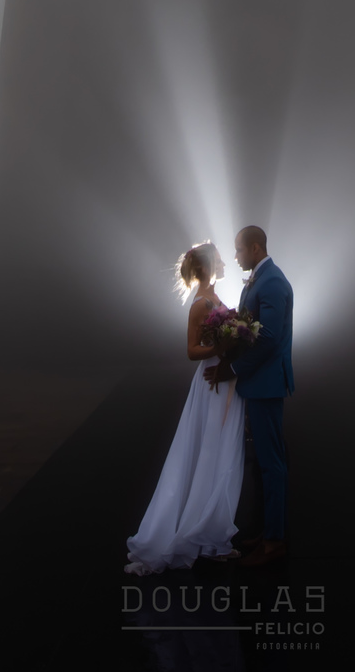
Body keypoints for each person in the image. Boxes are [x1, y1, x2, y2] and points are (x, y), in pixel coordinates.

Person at [125, 242, 245, 574]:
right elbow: (192, 351)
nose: (224, 262)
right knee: (212, 454)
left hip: (224, 380)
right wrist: (223, 346)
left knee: (221, 453)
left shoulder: (213, 298)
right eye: (219, 258)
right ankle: (204, 534)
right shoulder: (201, 304)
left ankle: (211, 533)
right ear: (207, 265)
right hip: (213, 383)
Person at [208, 225, 294, 569]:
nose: (236, 256)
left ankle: (274, 542)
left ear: (255, 248)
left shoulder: (272, 282)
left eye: (239, 250)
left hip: (266, 385)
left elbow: (269, 338)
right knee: (264, 464)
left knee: (272, 465)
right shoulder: (262, 279)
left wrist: (235, 368)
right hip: (260, 384)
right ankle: (268, 532)